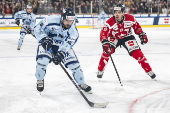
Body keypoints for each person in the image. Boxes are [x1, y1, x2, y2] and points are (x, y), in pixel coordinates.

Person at [34, 8, 92, 93]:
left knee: (74, 65)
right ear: (62, 18)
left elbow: (70, 42)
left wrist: (62, 52)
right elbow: (37, 28)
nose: (69, 23)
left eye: (71, 21)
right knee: (42, 61)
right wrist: (44, 38)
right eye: (67, 20)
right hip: (47, 43)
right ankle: (40, 80)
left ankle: (81, 83)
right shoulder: (50, 20)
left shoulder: (73, 30)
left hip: (62, 45)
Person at [97, 4, 156, 79]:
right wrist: (104, 41)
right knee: (106, 52)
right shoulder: (109, 22)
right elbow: (103, 33)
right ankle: (100, 70)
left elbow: (137, 27)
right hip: (113, 37)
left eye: (119, 12)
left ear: (123, 13)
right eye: (115, 12)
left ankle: (149, 71)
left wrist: (141, 34)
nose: (117, 14)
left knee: (138, 54)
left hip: (127, 37)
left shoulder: (130, 18)